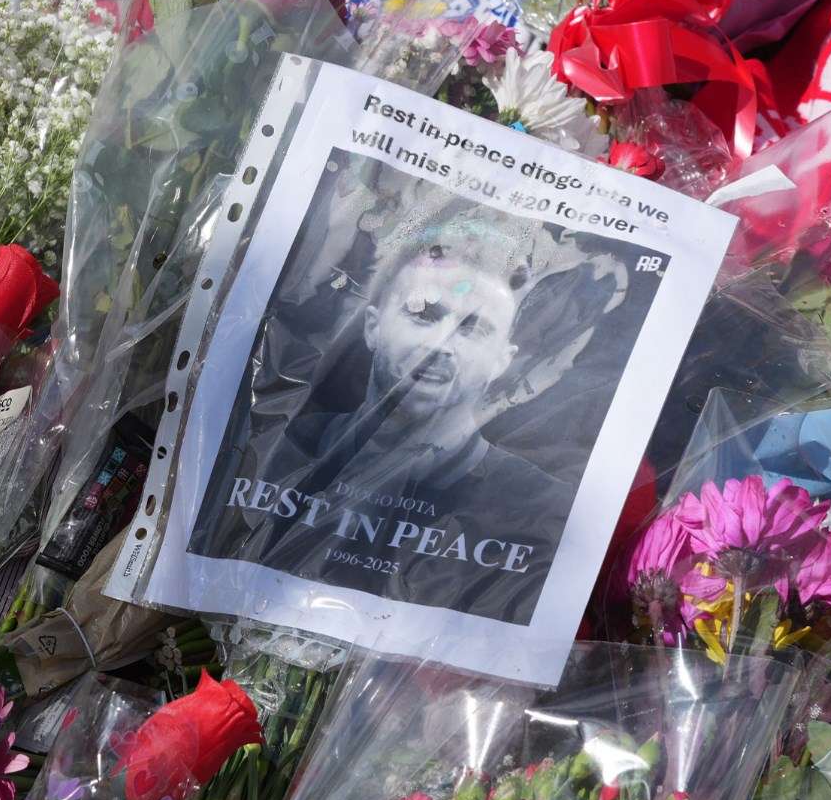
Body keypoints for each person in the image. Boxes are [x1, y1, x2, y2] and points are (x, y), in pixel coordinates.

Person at [192, 219, 564, 620]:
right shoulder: (270, 448)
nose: (440, 344)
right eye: (423, 313)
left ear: (501, 361)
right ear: (372, 327)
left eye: (472, 329)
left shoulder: (541, 510)